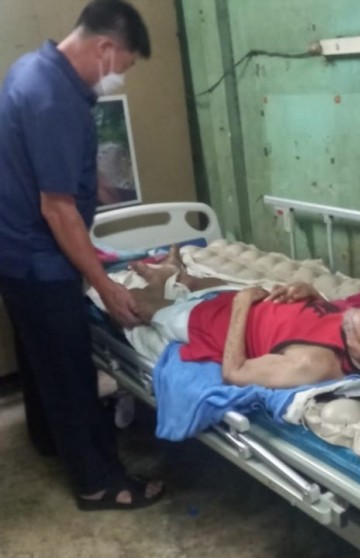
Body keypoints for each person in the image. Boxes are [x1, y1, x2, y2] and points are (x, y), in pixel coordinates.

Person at [0, 0, 164, 510]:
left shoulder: (32, 68)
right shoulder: (52, 97)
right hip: (39, 258)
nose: (119, 77)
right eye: (123, 66)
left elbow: (46, 168)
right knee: (70, 371)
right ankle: (99, 483)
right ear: (105, 47)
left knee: (40, 360)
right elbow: (57, 208)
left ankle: (49, 440)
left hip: (15, 251)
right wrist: (104, 283)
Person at [128, 249, 360, 388]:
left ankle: (158, 282)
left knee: (138, 305)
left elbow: (234, 372)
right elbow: (320, 324)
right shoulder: (356, 330)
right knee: (200, 283)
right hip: (255, 299)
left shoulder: (312, 364)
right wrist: (312, 292)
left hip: (218, 322)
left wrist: (242, 305)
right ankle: (174, 273)